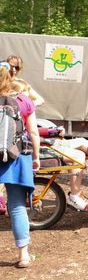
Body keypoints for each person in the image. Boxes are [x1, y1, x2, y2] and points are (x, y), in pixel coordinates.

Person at [0, 62, 40, 268]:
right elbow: (33, 131)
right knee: (16, 206)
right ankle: (24, 256)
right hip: (15, 157)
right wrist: (37, 156)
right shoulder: (23, 100)